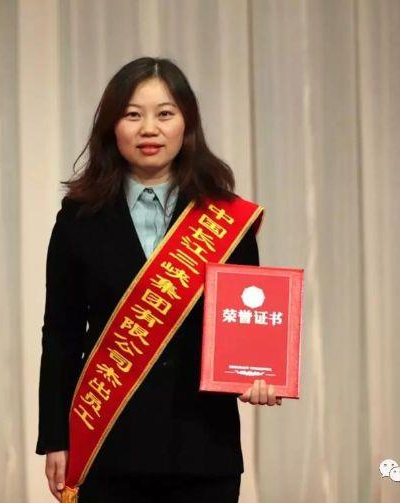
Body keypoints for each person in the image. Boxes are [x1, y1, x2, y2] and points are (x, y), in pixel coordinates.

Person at [36, 57, 281, 503]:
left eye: (164, 113)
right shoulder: (78, 219)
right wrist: (55, 437)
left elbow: (246, 323)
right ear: (112, 126)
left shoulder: (226, 219)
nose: (149, 129)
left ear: (187, 123)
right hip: (109, 444)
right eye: (133, 115)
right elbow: (60, 335)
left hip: (202, 447)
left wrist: (259, 373)